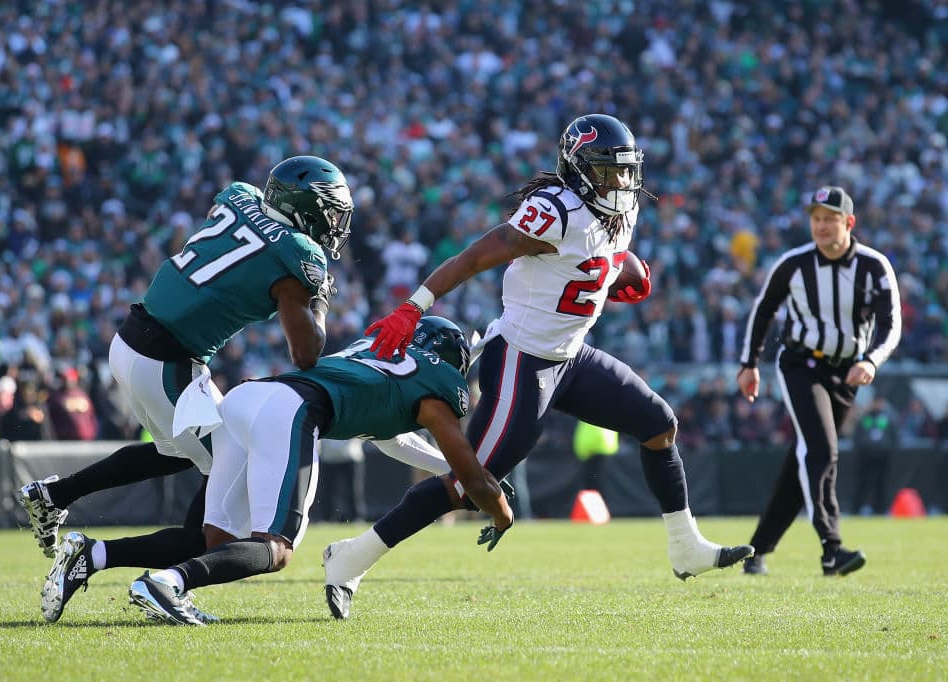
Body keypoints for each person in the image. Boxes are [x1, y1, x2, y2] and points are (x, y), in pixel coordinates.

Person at [323, 114, 754, 620]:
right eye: (606, 171)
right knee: (469, 485)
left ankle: (686, 547)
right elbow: (476, 256)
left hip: (570, 355)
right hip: (521, 360)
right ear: (578, 171)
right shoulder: (555, 211)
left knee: (659, 424)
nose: (619, 182)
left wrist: (618, 270)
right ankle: (350, 557)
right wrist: (414, 305)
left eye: (625, 171)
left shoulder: (624, 208)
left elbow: (595, 254)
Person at [23, 155, 355, 623]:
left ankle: (59, 499)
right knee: (221, 513)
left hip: (133, 342)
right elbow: (306, 352)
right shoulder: (298, 254)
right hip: (167, 363)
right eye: (331, 212)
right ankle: (160, 581)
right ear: (306, 208)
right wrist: (319, 298)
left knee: (179, 455)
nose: (336, 226)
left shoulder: (240, 196)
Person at [126, 317, 513, 625]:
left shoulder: (375, 352)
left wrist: (450, 467)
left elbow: (391, 438)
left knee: (217, 537)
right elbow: (469, 474)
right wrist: (494, 504)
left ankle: (140, 577)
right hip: (291, 410)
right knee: (276, 548)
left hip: (245, 399)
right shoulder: (437, 380)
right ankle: (167, 583)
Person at [737, 185, 901, 577]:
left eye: (830, 219)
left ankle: (756, 550)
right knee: (821, 451)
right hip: (801, 365)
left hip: (847, 373)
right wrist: (749, 364)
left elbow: (891, 325)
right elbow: (764, 310)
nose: (822, 226)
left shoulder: (874, 266)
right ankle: (832, 549)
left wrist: (872, 361)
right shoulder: (794, 264)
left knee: (805, 462)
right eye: (816, 219)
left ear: (850, 222)